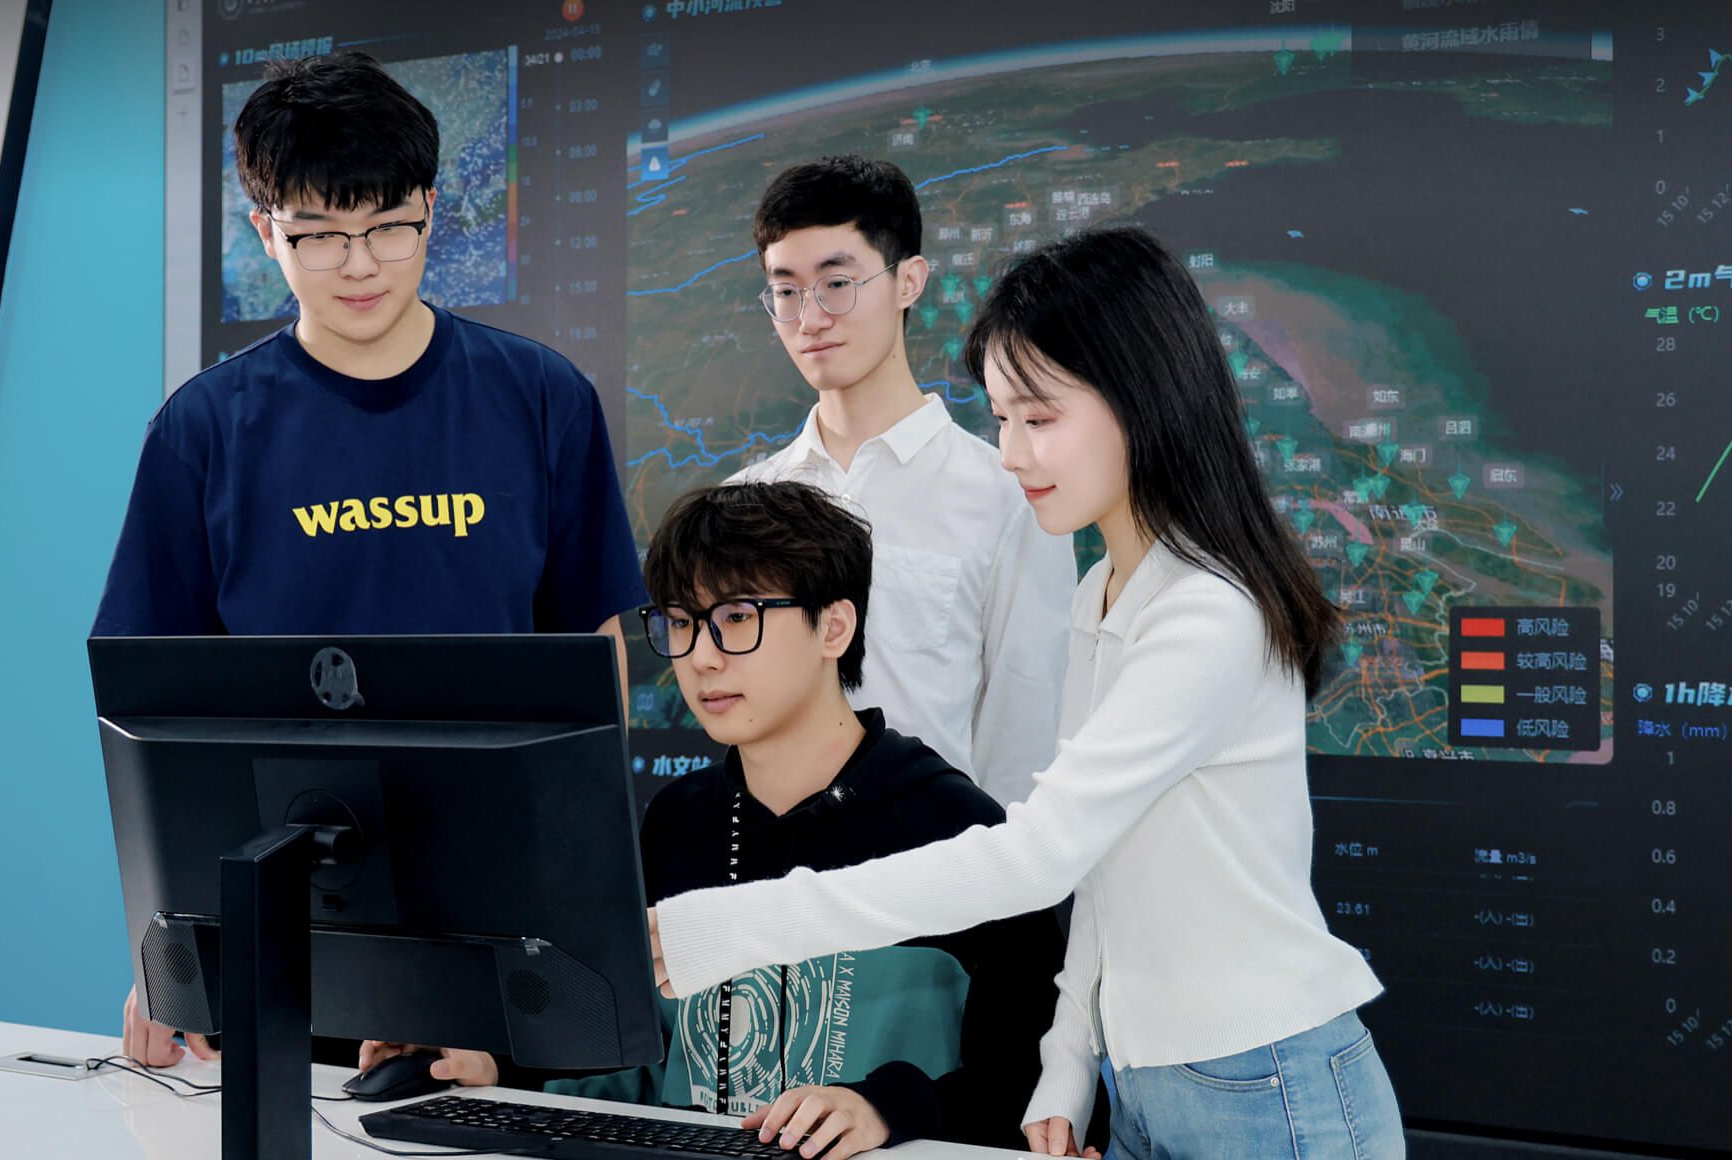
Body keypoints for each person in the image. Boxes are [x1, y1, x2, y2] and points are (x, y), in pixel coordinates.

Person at [650, 227, 1401, 1159]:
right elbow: (1101, 872)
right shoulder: (1103, 593)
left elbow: (1038, 857)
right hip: (1150, 1080)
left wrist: (731, 926)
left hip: (1269, 1083)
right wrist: (1069, 1063)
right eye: (1002, 419)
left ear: (1143, 403)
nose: (1010, 454)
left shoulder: (1210, 613)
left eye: (1038, 419)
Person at [95, 51, 645, 1066]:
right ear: (266, 229)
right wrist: (173, 946)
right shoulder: (201, 431)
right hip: (283, 936)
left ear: (431, 209)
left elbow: (597, 663)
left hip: (508, 939)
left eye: (389, 226)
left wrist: (580, 915)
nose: (359, 264)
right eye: (319, 234)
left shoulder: (541, 399)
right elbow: (152, 719)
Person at [367, 481, 1064, 1158]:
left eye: (737, 617)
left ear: (834, 626)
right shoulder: (678, 821)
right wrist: (492, 1064)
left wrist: (886, 1107)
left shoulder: (958, 829)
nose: (701, 657)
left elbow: (1034, 1089)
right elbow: (640, 1060)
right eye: (680, 622)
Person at [725, 156, 1074, 806]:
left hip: (943, 861)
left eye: (836, 283)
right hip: (775, 862)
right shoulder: (743, 505)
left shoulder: (1006, 496)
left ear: (908, 281)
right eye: (786, 291)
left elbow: (1025, 741)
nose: (809, 319)